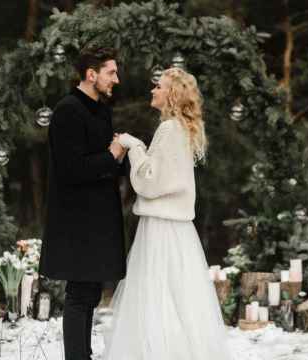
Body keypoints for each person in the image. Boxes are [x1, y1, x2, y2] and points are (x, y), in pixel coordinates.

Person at [103, 67, 232, 360]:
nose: (153, 90)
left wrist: (132, 144)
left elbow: (151, 182)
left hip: (162, 227)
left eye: (158, 86)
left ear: (172, 94)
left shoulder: (170, 129)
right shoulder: (179, 129)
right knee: (177, 297)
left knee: (158, 296)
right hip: (176, 229)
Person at [39, 46, 128, 360]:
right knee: (79, 294)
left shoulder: (101, 109)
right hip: (77, 222)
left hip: (98, 220)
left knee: (91, 293)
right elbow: (71, 169)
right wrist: (112, 155)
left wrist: (124, 156)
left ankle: (83, 355)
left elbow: (104, 163)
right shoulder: (68, 110)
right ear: (91, 74)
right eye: (111, 72)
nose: (116, 79)